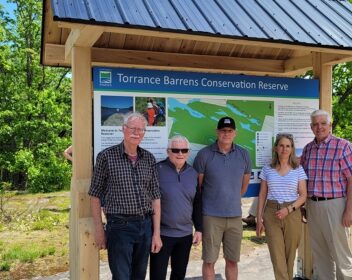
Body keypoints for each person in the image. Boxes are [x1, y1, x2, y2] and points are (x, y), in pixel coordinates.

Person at [88, 112, 162, 279]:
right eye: (132, 128)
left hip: (145, 226)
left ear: (144, 133)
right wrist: (99, 229)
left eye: (140, 130)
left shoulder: (149, 159)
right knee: (121, 276)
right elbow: (94, 195)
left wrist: (156, 233)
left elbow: (156, 197)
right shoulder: (106, 157)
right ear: (123, 129)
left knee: (139, 275)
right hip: (119, 227)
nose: (136, 133)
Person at [300, 109, 352, 280]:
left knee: (341, 254)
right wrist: (304, 206)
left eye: (323, 123)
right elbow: (303, 180)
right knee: (320, 255)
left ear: (330, 125)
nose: (319, 127)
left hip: (336, 206)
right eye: (315, 124)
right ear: (311, 127)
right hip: (313, 206)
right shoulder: (308, 149)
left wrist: (349, 211)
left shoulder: (343, 146)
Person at [193, 116, 252, 280]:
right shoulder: (204, 155)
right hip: (211, 216)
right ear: (217, 132)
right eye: (223, 130)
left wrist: (230, 198)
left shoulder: (244, 154)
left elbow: (244, 186)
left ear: (235, 133)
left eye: (230, 131)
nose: (226, 133)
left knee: (232, 261)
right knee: (209, 261)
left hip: (234, 216)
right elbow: (199, 186)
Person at [150, 135, 203, 280]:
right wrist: (154, 233)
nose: (180, 153)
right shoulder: (156, 170)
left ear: (188, 152)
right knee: (157, 275)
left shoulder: (193, 173)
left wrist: (198, 229)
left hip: (185, 235)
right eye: (175, 150)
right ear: (168, 151)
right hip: (162, 235)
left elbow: (197, 203)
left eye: (184, 150)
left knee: (179, 275)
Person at [256, 133, 307, 280]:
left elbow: (303, 195)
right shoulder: (267, 169)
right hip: (271, 213)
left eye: (288, 146)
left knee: (289, 257)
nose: (285, 149)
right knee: (277, 258)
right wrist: (259, 219)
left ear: (292, 149)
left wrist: (289, 209)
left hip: (292, 212)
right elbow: (262, 195)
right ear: (276, 148)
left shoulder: (298, 169)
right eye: (281, 145)